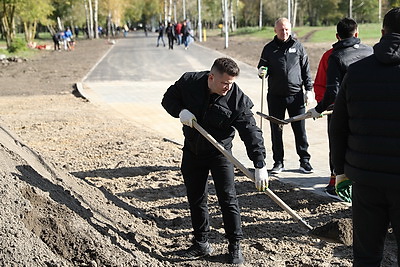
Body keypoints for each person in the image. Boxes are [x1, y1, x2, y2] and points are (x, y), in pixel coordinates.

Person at [161, 57, 269, 264]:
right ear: (211, 77)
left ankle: (234, 246)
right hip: (193, 150)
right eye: (225, 83)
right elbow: (168, 99)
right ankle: (201, 243)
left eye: (232, 83)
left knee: (228, 199)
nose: (228, 87)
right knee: (196, 197)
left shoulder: (237, 99)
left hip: (220, 153)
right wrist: (180, 111)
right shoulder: (189, 82)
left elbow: (251, 131)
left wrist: (259, 163)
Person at [329, 7, 400, 266]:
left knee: (366, 256)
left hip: (366, 180)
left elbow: (337, 127)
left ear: (382, 33)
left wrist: (339, 171)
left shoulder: (356, 72)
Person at [306, 18, 373, 199]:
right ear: (357, 33)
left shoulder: (333, 56)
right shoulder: (370, 51)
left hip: (340, 110)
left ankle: (335, 183)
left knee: (337, 144)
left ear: (337, 36)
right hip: (367, 110)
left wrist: (318, 109)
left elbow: (331, 91)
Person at [257, 17, 314, 174]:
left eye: (287, 29)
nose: (284, 32)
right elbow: (262, 66)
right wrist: (262, 71)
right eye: (281, 29)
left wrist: (309, 90)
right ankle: (278, 162)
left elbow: (306, 70)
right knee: (277, 130)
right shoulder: (269, 48)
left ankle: (304, 161)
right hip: (275, 96)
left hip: (296, 96)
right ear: (275, 30)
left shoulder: (298, 47)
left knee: (300, 130)